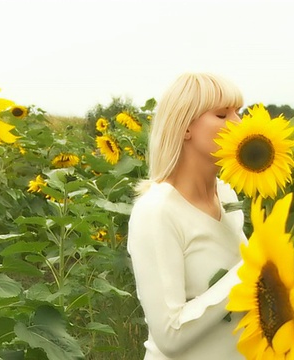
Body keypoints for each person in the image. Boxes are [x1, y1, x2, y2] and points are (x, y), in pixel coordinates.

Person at [127, 73, 247, 359]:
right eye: (222, 114)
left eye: (238, 113)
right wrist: (253, 268)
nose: (238, 124)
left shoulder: (227, 195)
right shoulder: (157, 211)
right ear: (185, 128)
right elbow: (170, 334)